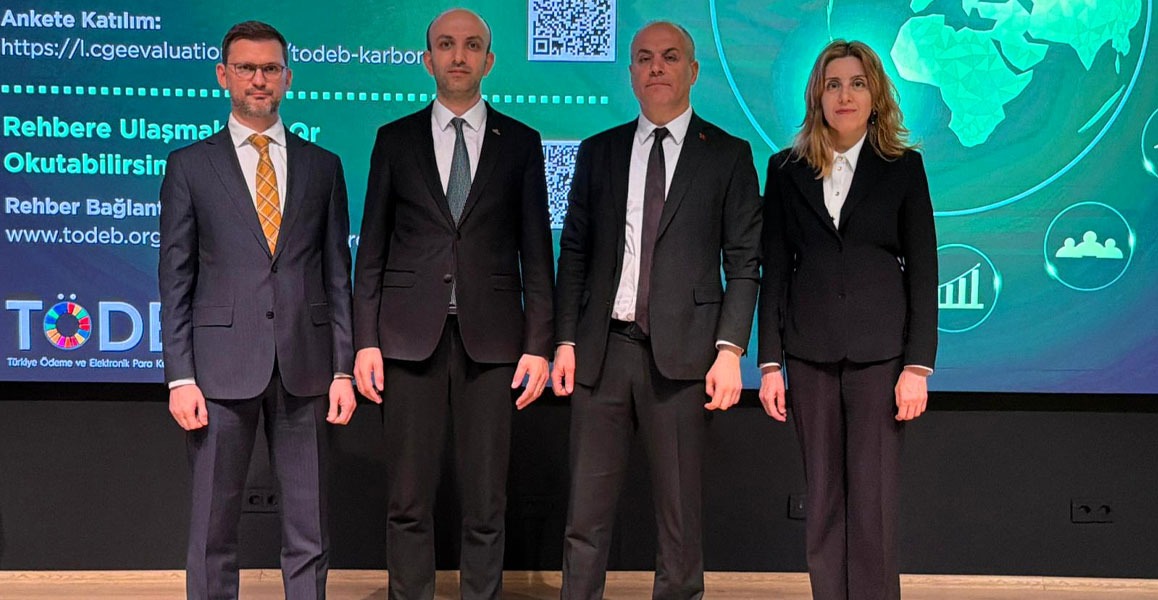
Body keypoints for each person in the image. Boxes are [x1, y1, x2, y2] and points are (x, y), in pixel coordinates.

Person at [553, 21, 762, 600]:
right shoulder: (598, 151)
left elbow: (745, 263)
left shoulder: (728, 155)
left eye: (670, 57)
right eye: (644, 58)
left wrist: (730, 350)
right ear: (631, 74)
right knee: (585, 517)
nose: (656, 67)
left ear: (693, 71)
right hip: (602, 353)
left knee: (679, 520)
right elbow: (575, 254)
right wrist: (565, 341)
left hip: (686, 358)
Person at [352, 8, 554, 600]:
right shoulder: (395, 139)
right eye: (445, 44)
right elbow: (372, 250)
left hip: (493, 343)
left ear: (489, 60)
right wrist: (365, 341)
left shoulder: (521, 142)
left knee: (486, 500)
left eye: (470, 45)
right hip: (406, 340)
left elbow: (537, 253)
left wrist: (538, 345)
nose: (458, 55)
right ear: (427, 59)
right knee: (408, 499)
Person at [158, 20, 356, 600]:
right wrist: (180, 377)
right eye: (246, 68)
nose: (259, 79)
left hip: (307, 367)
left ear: (288, 77)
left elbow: (336, 276)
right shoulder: (190, 165)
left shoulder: (323, 166)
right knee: (212, 530)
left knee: (309, 529)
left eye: (270, 68)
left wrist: (343, 369)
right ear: (224, 76)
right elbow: (176, 278)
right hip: (218, 372)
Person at [758, 40, 938, 600]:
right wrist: (769, 364)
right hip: (808, 354)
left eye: (857, 83)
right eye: (833, 84)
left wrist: (917, 366)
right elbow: (774, 270)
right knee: (823, 500)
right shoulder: (785, 169)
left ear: (874, 95)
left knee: (873, 500)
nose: (845, 95)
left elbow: (924, 269)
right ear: (818, 95)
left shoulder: (903, 168)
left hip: (881, 358)